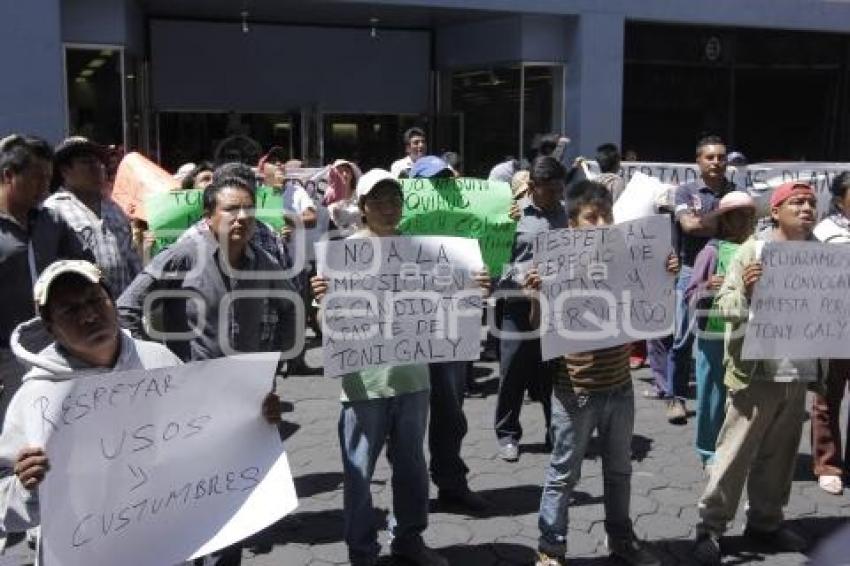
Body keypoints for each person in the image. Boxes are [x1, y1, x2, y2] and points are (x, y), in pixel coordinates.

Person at [0, 260, 281, 558]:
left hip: (167, 549)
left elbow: (205, 436)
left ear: (113, 303)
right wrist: (26, 488)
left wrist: (255, 418)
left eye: (95, 300)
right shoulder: (34, 399)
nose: (88, 315)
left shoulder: (159, 361)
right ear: (49, 327)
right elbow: (7, 510)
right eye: (70, 310)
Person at [531, 180, 676, 566]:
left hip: (619, 387)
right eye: (590, 217)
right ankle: (551, 548)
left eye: (606, 216)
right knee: (564, 474)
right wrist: (536, 293)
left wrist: (666, 272)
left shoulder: (627, 256)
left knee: (619, 471)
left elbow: (654, 305)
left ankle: (622, 541)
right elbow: (538, 327)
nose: (600, 224)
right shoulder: (556, 262)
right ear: (573, 222)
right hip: (574, 389)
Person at [311, 169, 449, 566]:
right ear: (363, 207)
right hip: (363, 384)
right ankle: (362, 552)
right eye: (379, 201)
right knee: (358, 474)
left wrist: (473, 287)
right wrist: (327, 302)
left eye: (395, 200)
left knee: (411, 469)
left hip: (413, 379)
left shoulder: (420, 250)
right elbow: (324, 327)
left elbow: (447, 306)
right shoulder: (343, 254)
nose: (389, 208)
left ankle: (409, 540)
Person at [693, 182, 820, 565]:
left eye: (812, 203)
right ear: (776, 211)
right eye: (797, 202)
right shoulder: (752, 250)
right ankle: (710, 527)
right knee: (734, 453)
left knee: (780, 457)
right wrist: (746, 291)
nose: (806, 208)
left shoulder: (821, 256)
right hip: (755, 372)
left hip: (796, 372)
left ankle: (765, 523)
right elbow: (725, 306)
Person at [408, 156, 491, 513]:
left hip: (452, 331)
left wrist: (485, 279)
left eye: (446, 183)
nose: (440, 191)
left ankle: (451, 483)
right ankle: (409, 493)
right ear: (415, 190)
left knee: (451, 415)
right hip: (406, 334)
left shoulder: (466, 229)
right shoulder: (397, 227)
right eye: (431, 184)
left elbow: (488, 271)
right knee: (407, 419)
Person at [0, 135, 92, 426]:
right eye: (37, 178)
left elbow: (84, 268)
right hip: (6, 355)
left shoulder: (51, 223)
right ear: (8, 175)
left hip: (54, 347)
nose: (44, 188)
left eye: (48, 179)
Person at [494, 156, 567, 462]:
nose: (555, 196)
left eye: (559, 189)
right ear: (533, 187)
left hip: (557, 307)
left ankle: (557, 432)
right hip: (517, 306)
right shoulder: (511, 216)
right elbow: (494, 266)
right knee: (512, 372)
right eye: (549, 190)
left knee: (556, 373)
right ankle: (508, 433)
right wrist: (522, 280)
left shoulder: (569, 215)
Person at [666, 135, 739, 425]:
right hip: (690, 270)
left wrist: (704, 222)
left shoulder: (735, 190)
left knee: (725, 337)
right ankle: (676, 398)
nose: (717, 162)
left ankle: (724, 399)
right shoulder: (685, 192)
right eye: (710, 157)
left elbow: (739, 230)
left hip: (727, 270)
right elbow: (688, 225)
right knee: (683, 338)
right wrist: (724, 217)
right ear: (698, 160)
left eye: (721, 157)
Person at [684, 192, 756, 467]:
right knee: (712, 392)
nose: (745, 221)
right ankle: (708, 450)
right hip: (713, 333)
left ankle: (737, 446)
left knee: (741, 393)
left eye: (749, 216)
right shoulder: (712, 251)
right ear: (725, 221)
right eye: (738, 215)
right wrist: (707, 288)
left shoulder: (758, 249)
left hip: (746, 332)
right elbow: (688, 295)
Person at [44, 136, 141, 298]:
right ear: (65, 170)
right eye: (87, 162)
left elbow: (132, 260)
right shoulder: (54, 210)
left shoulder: (115, 209)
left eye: (99, 162)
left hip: (121, 309)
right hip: (80, 308)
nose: (97, 167)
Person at [810, 171, 850, 495]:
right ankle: (828, 463)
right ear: (839, 199)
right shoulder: (823, 232)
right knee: (827, 398)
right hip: (833, 325)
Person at [323, 159, 363, 236]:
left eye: (347, 171)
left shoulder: (359, 195)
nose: (344, 174)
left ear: (352, 174)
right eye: (340, 172)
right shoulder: (328, 197)